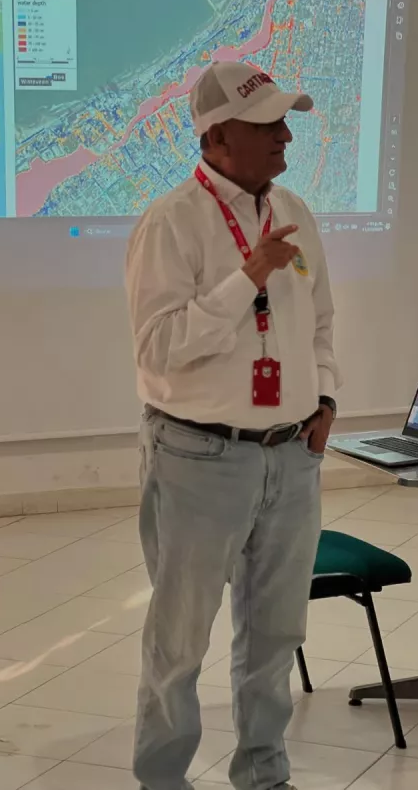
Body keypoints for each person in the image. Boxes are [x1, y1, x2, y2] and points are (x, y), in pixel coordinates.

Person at [125, 60, 341, 790]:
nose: (286, 137)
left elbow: (321, 323)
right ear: (217, 137)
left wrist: (326, 401)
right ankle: (163, 780)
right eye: (267, 124)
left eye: (286, 122)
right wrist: (246, 277)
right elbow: (159, 348)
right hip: (199, 456)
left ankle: (264, 775)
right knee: (180, 641)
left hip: (292, 455)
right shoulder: (171, 222)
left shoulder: (296, 212)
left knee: (277, 634)